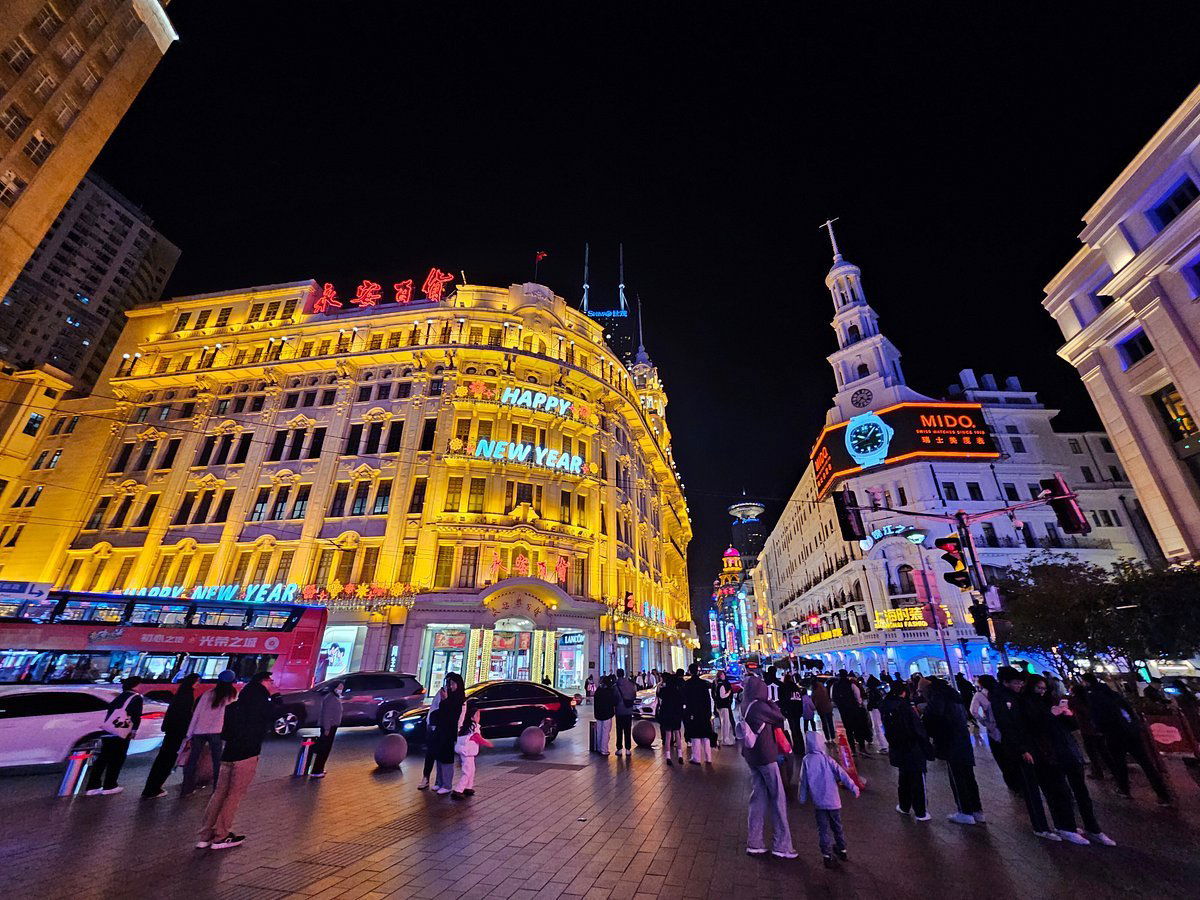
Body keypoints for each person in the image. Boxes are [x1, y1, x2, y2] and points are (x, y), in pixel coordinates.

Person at [1022, 675, 1116, 846]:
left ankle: (1093, 828)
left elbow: (1072, 726)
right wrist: (1051, 715)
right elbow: (1034, 727)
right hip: (1050, 754)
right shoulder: (1027, 704)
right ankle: (1066, 827)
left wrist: (1067, 714)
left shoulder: (1051, 701)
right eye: (1038, 688)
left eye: (1044, 688)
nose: (1042, 692)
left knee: (1081, 793)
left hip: (1069, 751)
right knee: (1061, 793)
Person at [196, 671, 280, 850]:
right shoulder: (262, 706)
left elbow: (225, 733)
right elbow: (276, 716)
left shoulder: (234, 707)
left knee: (219, 794)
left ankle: (205, 835)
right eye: (270, 681)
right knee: (234, 795)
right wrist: (275, 700)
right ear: (263, 682)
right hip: (247, 755)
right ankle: (222, 835)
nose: (272, 683)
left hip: (228, 754)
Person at [992, 666, 1058, 840]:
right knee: (1030, 788)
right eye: (1016, 682)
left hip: (1032, 746)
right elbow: (1009, 726)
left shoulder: (1016, 697)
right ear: (1006, 682)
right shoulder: (1002, 699)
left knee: (1043, 785)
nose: (1019, 685)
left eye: (1021, 682)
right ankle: (1040, 826)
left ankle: (1054, 824)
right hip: (1020, 749)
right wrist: (1022, 749)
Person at [1083, 673, 1171, 804]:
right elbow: (1129, 710)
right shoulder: (1114, 695)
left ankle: (1124, 790)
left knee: (1119, 763)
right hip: (1131, 731)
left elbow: (1097, 718)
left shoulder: (1093, 697)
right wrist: (1135, 726)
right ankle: (1163, 794)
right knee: (1146, 763)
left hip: (1114, 733)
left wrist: (1100, 730)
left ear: (1087, 682)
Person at [739, 674, 797, 859]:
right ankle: (782, 844)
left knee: (758, 797)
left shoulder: (745, 704)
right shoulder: (759, 706)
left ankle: (754, 842)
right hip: (766, 756)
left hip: (751, 756)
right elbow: (779, 716)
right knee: (778, 797)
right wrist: (770, 701)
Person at [923, 677, 983, 825]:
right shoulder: (953, 696)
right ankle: (977, 810)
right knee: (968, 776)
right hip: (962, 738)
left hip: (950, 741)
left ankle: (965, 811)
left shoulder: (937, 698)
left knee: (958, 777)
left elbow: (933, 718)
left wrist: (927, 727)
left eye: (920, 690)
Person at [797, 731, 860, 868]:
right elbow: (841, 774)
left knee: (823, 829)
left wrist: (802, 798)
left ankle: (826, 855)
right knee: (837, 826)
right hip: (834, 801)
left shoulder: (806, 760)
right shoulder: (827, 759)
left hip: (819, 803)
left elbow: (803, 781)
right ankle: (842, 849)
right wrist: (854, 787)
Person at [879, 680, 932, 821]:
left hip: (897, 748)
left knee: (903, 777)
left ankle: (904, 806)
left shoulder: (885, 706)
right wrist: (927, 747)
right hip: (913, 748)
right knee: (917, 780)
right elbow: (917, 729)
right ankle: (921, 812)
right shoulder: (905, 707)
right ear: (903, 692)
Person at [85, 676, 144, 796]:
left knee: (103, 758)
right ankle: (110, 785)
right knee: (117, 759)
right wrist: (133, 731)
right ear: (135, 685)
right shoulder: (136, 698)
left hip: (109, 730)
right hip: (120, 732)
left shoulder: (119, 696)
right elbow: (135, 716)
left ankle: (92, 786)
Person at [142, 674, 199, 798]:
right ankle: (154, 788)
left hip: (170, 732)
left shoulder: (179, 695)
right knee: (168, 760)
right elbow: (185, 717)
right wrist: (188, 733)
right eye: (197, 682)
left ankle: (150, 787)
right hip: (178, 733)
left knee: (162, 758)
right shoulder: (188, 697)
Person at [182, 671, 237, 796]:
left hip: (199, 731)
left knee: (192, 761)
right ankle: (217, 790)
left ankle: (186, 789)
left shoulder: (207, 694)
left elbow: (196, 714)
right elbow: (232, 717)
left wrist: (189, 733)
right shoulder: (232, 696)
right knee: (217, 761)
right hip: (217, 732)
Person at [971, 674, 1022, 793]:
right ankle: (1019, 782)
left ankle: (1012, 784)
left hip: (994, 729)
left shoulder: (979, 695)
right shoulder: (1000, 692)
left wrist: (984, 722)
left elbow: (974, 711)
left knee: (1002, 758)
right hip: (1007, 727)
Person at [430, 673, 466, 794]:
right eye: (449, 683)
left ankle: (446, 784)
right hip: (441, 730)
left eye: (453, 684)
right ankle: (439, 782)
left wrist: (445, 700)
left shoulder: (459, 699)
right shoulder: (449, 697)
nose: (450, 686)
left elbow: (451, 714)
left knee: (446, 757)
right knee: (439, 755)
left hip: (449, 732)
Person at [452, 699, 493, 799]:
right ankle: (458, 790)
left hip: (466, 752)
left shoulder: (466, 727)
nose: (479, 718)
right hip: (467, 752)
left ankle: (468, 787)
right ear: (472, 717)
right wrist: (487, 743)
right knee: (468, 771)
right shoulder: (473, 727)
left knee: (471, 770)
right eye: (477, 716)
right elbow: (476, 737)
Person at [1067, 681, 1107, 781]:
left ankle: (1098, 773)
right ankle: (1114, 771)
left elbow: (1072, 711)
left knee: (1092, 752)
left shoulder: (1075, 701)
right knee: (1103, 751)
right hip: (1097, 728)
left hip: (1087, 730)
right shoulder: (1090, 699)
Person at [309, 680, 344, 778]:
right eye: (339, 687)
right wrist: (327, 728)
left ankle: (320, 768)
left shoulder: (335, 697)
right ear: (334, 687)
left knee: (326, 749)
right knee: (324, 749)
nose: (341, 689)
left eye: (342, 687)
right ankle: (316, 770)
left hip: (332, 726)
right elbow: (327, 714)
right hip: (328, 727)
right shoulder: (330, 698)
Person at [683, 663, 714, 764]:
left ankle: (696, 757)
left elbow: (686, 700)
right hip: (704, 712)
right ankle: (708, 757)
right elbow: (708, 699)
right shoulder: (703, 683)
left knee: (695, 735)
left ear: (690, 671)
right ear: (698, 670)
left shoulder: (687, 684)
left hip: (693, 712)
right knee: (706, 734)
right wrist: (709, 712)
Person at [831, 670, 867, 755]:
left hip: (844, 711)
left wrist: (840, 705)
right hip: (854, 709)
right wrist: (859, 704)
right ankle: (861, 747)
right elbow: (858, 696)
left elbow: (833, 697)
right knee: (858, 728)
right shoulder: (851, 684)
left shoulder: (835, 685)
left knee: (849, 730)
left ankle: (853, 750)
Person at [418, 684, 446, 790]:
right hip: (434, 726)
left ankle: (439, 781)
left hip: (442, 728)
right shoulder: (441, 693)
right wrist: (429, 724)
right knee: (430, 754)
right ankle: (426, 778)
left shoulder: (451, 695)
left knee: (440, 755)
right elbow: (434, 709)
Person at [657, 671, 686, 764]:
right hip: (676, 714)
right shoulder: (678, 691)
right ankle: (680, 755)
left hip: (667, 714)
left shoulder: (664, 690)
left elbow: (658, 696)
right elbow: (682, 702)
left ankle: (668, 757)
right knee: (677, 733)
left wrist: (660, 686)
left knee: (668, 735)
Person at [614, 669, 637, 757]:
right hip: (628, 710)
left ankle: (619, 748)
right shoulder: (630, 684)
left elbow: (614, 697)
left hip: (619, 710)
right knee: (628, 729)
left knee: (619, 730)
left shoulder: (616, 685)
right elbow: (634, 695)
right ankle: (628, 749)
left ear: (617, 674)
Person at [865, 676, 888, 754]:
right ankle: (885, 744)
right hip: (880, 709)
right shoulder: (879, 691)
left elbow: (871, 702)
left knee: (878, 727)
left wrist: (869, 707)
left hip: (875, 710)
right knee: (881, 726)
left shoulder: (872, 692)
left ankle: (884, 746)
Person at [593, 675, 616, 755]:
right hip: (607, 714)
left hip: (598, 714)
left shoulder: (598, 691)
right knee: (605, 732)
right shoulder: (609, 691)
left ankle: (599, 748)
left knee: (599, 731)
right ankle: (604, 749)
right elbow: (613, 702)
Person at [713, 670, 736, 746]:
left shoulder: (717, 684)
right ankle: (725, 739)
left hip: (720, 705)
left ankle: (724, 738)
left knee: (724, 722)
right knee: (726, 722)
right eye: (723, 675)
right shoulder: (722, 685)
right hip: (724, 705)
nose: (724, 676)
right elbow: (722, 696)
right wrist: (728, 693)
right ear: (720, 676)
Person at [811, 677, 836, 743]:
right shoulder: (823, 687)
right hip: (828, 707)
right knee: (830, 723)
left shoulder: (814, 689)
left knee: (824, 724)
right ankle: (833, 738)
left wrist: (814, 707)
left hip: (821, 709)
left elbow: (813, 699)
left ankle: (827, 738)